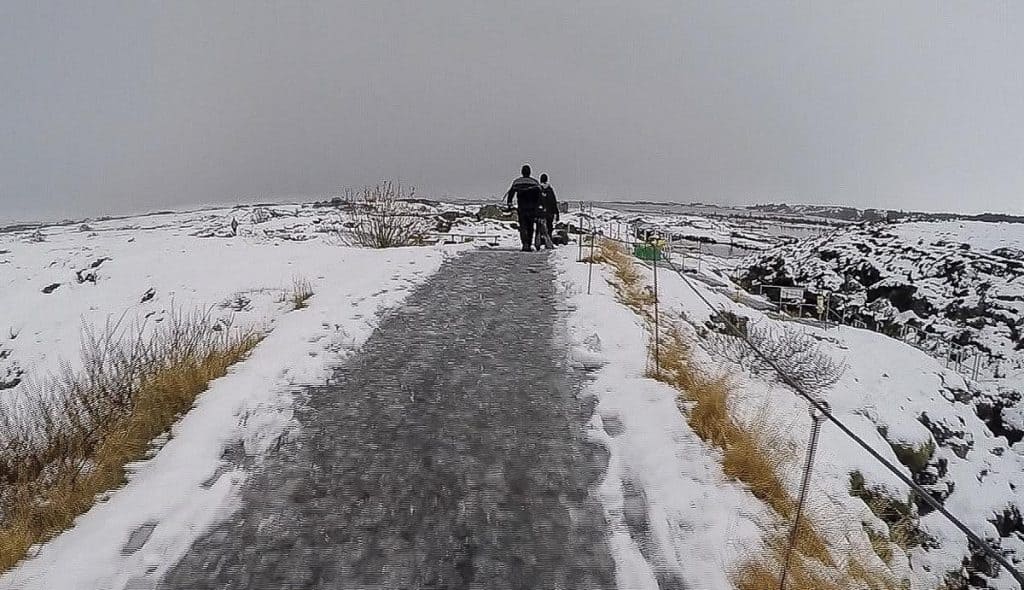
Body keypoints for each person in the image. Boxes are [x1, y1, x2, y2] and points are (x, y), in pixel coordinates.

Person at [505, 164, 543, 251]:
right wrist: (540, 207)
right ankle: (529, 244)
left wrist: (510, 204)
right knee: (530, 227)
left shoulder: (517, 182)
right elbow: (540, 197)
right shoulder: (535, 183)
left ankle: (524, 243)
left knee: (522, 226)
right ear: (530, 172)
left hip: (522, 208)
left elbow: (510, 194)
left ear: (522, 172)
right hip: (533, 208)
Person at [536, 173, 558, 249]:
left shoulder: (538, 189)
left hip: (540, 212)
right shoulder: (550, 190)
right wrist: (556, 213)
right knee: (549, 227)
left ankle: (539, 242)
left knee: (539, 228)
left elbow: (536, 201)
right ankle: (548, 242)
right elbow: (554, 202)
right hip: (550, 213)